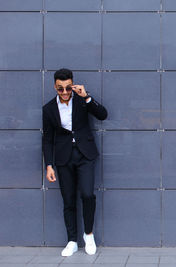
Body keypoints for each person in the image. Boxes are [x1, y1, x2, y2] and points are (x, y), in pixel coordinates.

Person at [42, 68, 107, 256]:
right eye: (60, 89)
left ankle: (88, 234)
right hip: (63, 158)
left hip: (85, 155)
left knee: (87, 195)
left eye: (67, 88)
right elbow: (47, 139)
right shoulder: (48, 109)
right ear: (54, 87)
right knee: (68, 200)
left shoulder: (81, 100)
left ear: (73, 85)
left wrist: (86, 96)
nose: (64, 93)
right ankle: (72, 240)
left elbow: (103, 115)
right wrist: (49, 165)